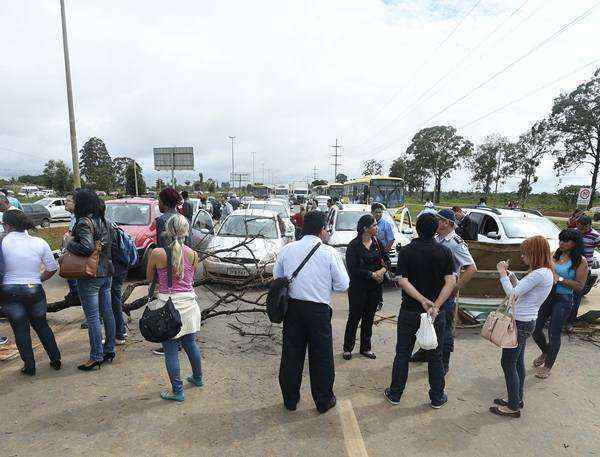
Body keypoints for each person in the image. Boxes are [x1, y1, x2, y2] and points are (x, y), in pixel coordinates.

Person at [274, 211, 349, 413]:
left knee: (291, 356)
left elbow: (278, 277)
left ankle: (290, 400)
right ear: (322, 230)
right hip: (319, 311)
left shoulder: (288, 249)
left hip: (293, 310)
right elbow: (343, 284)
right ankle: (323, 401)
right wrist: (324, 284)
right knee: (322, 358)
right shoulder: (329, 253)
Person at [384, 213, 455, 409]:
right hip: (435, 314)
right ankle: (437, 397)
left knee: (403, 353)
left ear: (417, 228)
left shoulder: (406, 251)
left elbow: (402, 280)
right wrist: (436, 305)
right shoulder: (444, 252)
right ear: (435, 230)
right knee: (436, 355)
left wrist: (422, 300)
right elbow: (451, 281)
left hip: (409, 311)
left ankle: (395, 393)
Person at [490, 236, 554, 418]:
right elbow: (522, 290)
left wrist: (502, 274)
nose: (522, 256)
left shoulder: (539, 273)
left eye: (525, 253)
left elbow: (512, 294)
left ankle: (513, 407)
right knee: (516, 361)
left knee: (508, 362)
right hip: (526, 320)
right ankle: (516, 398)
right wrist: (511, 276)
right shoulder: (545, 272)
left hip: (521, 322)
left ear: (534, 254)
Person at [411, 209, 477, 373]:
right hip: (431, 290)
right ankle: (424, 351)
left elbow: (471, 268)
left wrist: (456, 286)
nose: (436, 223)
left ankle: (444, 361)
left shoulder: (455, 243)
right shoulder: (437, 238)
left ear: (446, 223)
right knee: (427, 321)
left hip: (445, 293)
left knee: (445, 328)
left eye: (438, 220)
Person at [146, 214, 203, 402]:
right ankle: (197, 378)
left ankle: (178, 391)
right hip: (189, 305)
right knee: (190, 343)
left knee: (170, 351)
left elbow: (149, 279)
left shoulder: (157, 253)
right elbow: (190, 279)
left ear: (167, 231)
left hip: (168, 309)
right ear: (186, 231)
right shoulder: (194, 255)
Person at [0, 210, 61, 375]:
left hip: (9, 290)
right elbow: (52, 268)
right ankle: (55, 358)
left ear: (7, 225)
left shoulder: (3, 243)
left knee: (20, 330)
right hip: (34, 289)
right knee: (42, 325)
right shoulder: (39, 242)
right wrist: (37, 279)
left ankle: (30, 366)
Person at [66, 188, 116, 371]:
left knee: (93, 316)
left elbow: (87, 247)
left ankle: (96, 356)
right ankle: (109, 349)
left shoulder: (83, 223)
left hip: (90, 275)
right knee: (107, 312)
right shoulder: (104, 221)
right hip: (106, 272)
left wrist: (68, 243)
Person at [532, 229, 588, 379]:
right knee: (536, 329)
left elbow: (580, 286)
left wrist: (561, 279)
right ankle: (545, 351)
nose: (561, 243)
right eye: (560, 240)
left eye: (566, 241)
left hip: (564, 299)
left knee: (554, 333)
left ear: (575, 244)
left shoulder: (580, 261)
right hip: (547, 296)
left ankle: (548, 366)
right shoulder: (555, 254)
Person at [343, 214, 389, 360]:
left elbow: (386, 262)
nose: (377, 228)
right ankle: (347, 348)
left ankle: (366, 348)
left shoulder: (377, 243)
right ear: (365, 228)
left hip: (374, 288)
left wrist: (381, 271)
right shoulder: (354, 245)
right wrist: (371, 274)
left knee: (369, 318)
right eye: (374, 225)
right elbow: (352, 268)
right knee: (354, 317)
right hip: (358, 287)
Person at [571, 216, 600, 325]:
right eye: (579, 228)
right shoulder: (573, 233)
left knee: (577, 296)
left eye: (584, 228)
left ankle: (571, 320)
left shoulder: (596, 236)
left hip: (584, 270)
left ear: (589, 225)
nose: (581, 231)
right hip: (569, 267)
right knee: (564, 294)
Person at [62, 192, 80, 307]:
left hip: (75, 256)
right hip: (71, 254)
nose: (65, 202)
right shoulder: (73, 217)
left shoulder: (79, 219)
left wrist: (68, 240)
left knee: (76, 281)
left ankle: (76, 296)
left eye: (68, 200)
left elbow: (75, 239)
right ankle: (75, 295)